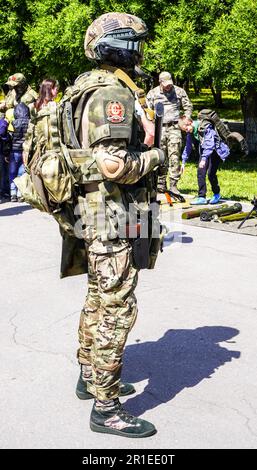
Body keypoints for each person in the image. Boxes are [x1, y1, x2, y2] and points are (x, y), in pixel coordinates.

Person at [21, 14, 164, 438]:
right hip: (114, 214)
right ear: (119, 47)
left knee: (99, 297)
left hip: (94, 211)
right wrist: (156, 159)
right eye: (135, 44)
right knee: (117, 307)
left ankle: (90, 376)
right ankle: (107, 408)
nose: (140, 52)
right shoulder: (111, 93)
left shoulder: (83, 88)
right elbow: (113, 163)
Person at [146, 71, 193, 197]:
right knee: (161, 156)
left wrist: (186, 118)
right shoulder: (153, 93)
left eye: (170, 83)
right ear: (160, 83)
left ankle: (173, 185)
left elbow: (188, 106)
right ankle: (160, 183)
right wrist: (149, 122)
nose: (168, 86)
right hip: (159, 128)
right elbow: (147, 110)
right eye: (166, 84)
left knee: (174, 155)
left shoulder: (179, 91)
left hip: (174, 128)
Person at [180, 113, 230, 204]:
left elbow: (210, 144)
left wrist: (203, 159)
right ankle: (202, 197)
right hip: (205, 151)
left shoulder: (205, 127)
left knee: (211, 173)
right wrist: (183, 162)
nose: (186, 131)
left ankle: (216, 194)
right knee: (200, 172)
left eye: (186, 129)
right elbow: (188, 147)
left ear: (190, 123)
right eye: (184, 130)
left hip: (215, 151)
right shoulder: (190, 132)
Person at [9, 103, 30, 202]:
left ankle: (12, 193)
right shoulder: (30, 122)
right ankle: (20, 194)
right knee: (22, 173)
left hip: (14, 151)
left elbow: (9, 137)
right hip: (25, 151)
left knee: (12, 172)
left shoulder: (13, 123)